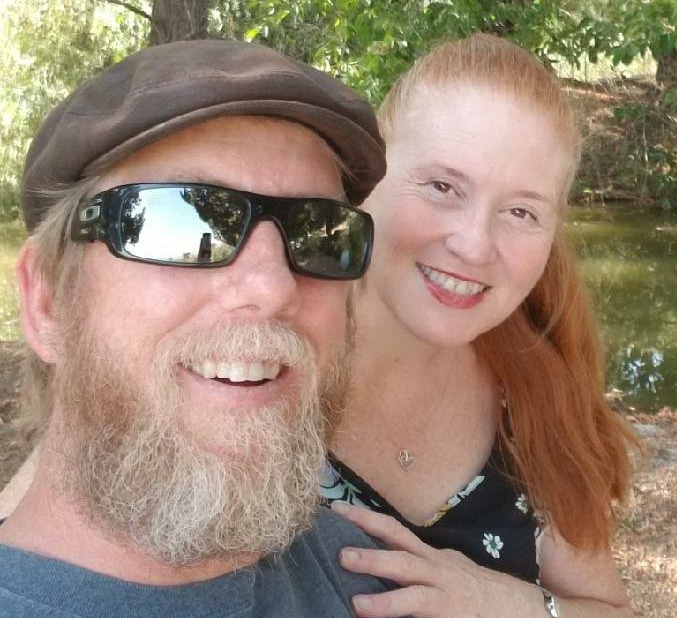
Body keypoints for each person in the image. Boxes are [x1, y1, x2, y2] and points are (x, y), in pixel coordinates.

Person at [0, 39, 399, 617]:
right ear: (47, 302)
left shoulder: (379, 579)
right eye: (182, 221)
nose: (273, 288)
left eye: (317, 233)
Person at [320, 34, 639, 617]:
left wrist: (507, 603)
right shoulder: (258, 369)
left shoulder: (535, 389)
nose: (473, 246)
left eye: (520, 211)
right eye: (443, 187)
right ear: (366, 179)